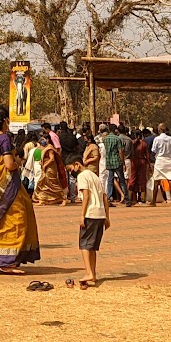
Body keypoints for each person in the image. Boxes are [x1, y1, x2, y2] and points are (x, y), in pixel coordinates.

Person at [0, 105, 40, 275]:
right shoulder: (4, 139)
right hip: (6, 187)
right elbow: (8, 165)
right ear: (6, 120)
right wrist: (17, 162)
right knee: (16, 219)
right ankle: (6, 262)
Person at [72, 144, 108, 289]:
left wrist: (82, 215)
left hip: (90, 214)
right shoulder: (95, 176)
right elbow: (105, 197)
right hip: (100, 214)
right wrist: (107, 216)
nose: (71, 172)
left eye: (70, 169)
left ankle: (89, 273)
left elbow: (85, 195)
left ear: (76, 164)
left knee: (84, 245)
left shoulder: (82, 176)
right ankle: (92, 272)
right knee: (92, 247)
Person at [34, 128, 67, 205]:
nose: (42, 140)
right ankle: (43, 199)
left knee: (53, 184)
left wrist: (45, 165)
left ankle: (63, 198)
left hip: (50, 169)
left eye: (44, 139)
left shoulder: (50, 148)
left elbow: (52, 159)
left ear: (48, 139)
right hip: (45, 168)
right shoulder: (45, 148)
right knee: (44, 183)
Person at [100, 123, 130, 205]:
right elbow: (120, 151)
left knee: (110, 180)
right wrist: (123, 162)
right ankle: (127, 199)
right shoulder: (117, 139)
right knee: (122, 180)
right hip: (117, 161)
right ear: (115, 130)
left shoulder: (105, 139)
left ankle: (109, 198)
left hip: (109, 161)